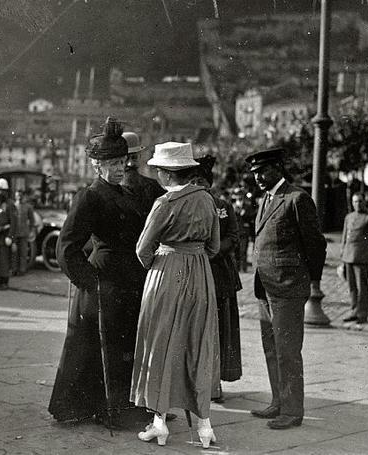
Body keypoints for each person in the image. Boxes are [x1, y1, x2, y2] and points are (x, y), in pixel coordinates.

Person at [49, 117, 147, 427]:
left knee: (123, 346)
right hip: (102, 282)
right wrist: (92, 283)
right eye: (113, 163)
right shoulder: (89, 197)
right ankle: (90, 407)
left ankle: (119, 405)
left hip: (128, 279)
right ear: (97, 165)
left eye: (123, 161)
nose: (120, 167)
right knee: (93, 346)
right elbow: (66, 249)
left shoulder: (127, 195)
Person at [131, 142, 220, 448]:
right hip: (200, 274)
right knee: (197, 344)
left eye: (158, 170)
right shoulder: (207, 200)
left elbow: (143, 249)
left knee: (161, 342)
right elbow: (215, 247)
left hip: (168, 272)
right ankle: (205, 427)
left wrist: (160, 261)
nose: (156, 175)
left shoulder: (165, 203)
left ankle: (159, 423)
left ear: (168, 174)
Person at [246, 147, 326, 430]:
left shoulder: (297, 199)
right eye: (255, 173)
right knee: (271, 348)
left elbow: (315, 244)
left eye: (263, 171)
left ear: (278, 168)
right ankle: (278, 401)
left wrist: (310, 282)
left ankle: (292, 411)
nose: (258, 178)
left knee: (288, 351)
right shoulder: (265, 199)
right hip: (264, 286)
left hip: (288, 288)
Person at [191, 155, 243, 403]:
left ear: (209, 183)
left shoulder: (223, 206)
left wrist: (211, 249)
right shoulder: (187, 205)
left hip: (219, 275)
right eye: (194, 180)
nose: (198, 185)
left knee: (221, 331)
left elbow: (234, 236)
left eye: (202, 181)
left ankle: (215, 383)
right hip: (193, 274)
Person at [340, 192, 368, 323]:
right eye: (355, 202)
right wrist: (342, 252)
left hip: (362, 257)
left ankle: (362, 314)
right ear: (352, 203)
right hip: (348, 256)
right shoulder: (349, 217)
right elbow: (344, 237)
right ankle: (354, 311)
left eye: (360, 201)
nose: (357, 204)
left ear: (364, 202)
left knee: (362, 286)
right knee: (351, 286)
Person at [121, 131, 166, 217]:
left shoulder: (153, 187)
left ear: (140, 157)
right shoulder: (108, 189)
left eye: (134, 158)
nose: (130, 164)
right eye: (125, 158)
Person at [0, 178, 17, 290]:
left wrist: (10, 236)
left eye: (3, 190)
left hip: (4, 237)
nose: (0, 192)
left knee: (4, 261)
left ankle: (4, 282)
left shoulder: (10, 205)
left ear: (7, 191)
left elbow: (14, 223)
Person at [12, 189, 36, 276]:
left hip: (24, 233)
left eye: (20, 195)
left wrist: (31, 230)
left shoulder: (28, 207)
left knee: (23, 252)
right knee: (14, 252)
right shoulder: (13, 206)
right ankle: (14, 269)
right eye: (17, 195)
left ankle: (22, 270)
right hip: (14, 233)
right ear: (15, 196)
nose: (19, 197)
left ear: (23, 196)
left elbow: (32, 220)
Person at [231, 187, 255, 272]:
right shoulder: (232, 206)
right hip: (236, 232)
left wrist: (243, 213)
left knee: (243, 251)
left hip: (244, 232)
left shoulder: (247, 206)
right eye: (237, 195)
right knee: (236, 252)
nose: (238, 197)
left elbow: (251, 216)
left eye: (240, 195)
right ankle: (237, 269)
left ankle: (243, 269)